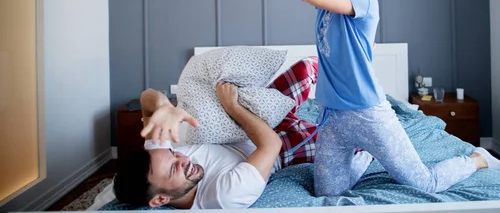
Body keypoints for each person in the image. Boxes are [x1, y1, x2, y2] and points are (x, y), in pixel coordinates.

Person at [272, 0, 500, 196]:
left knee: (425, 183)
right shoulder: (325, 7)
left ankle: (477, 159)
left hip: (367, 114)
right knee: (328, 195)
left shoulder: (363, 0)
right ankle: (365, 157)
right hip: (332, 117)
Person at [113, 57, 372, 209]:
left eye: (174, 154)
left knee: (307, 66)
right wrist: (232, 106)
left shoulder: (158, 161)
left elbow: (147, 97)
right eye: (175, 170)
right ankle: (367, 105)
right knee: (357, 141)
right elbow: (270, 145)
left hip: (252, 121)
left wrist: (163, 107)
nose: (184, 159)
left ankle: (356, 79)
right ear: (159, 200)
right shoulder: (223, 197)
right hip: (280, 146)